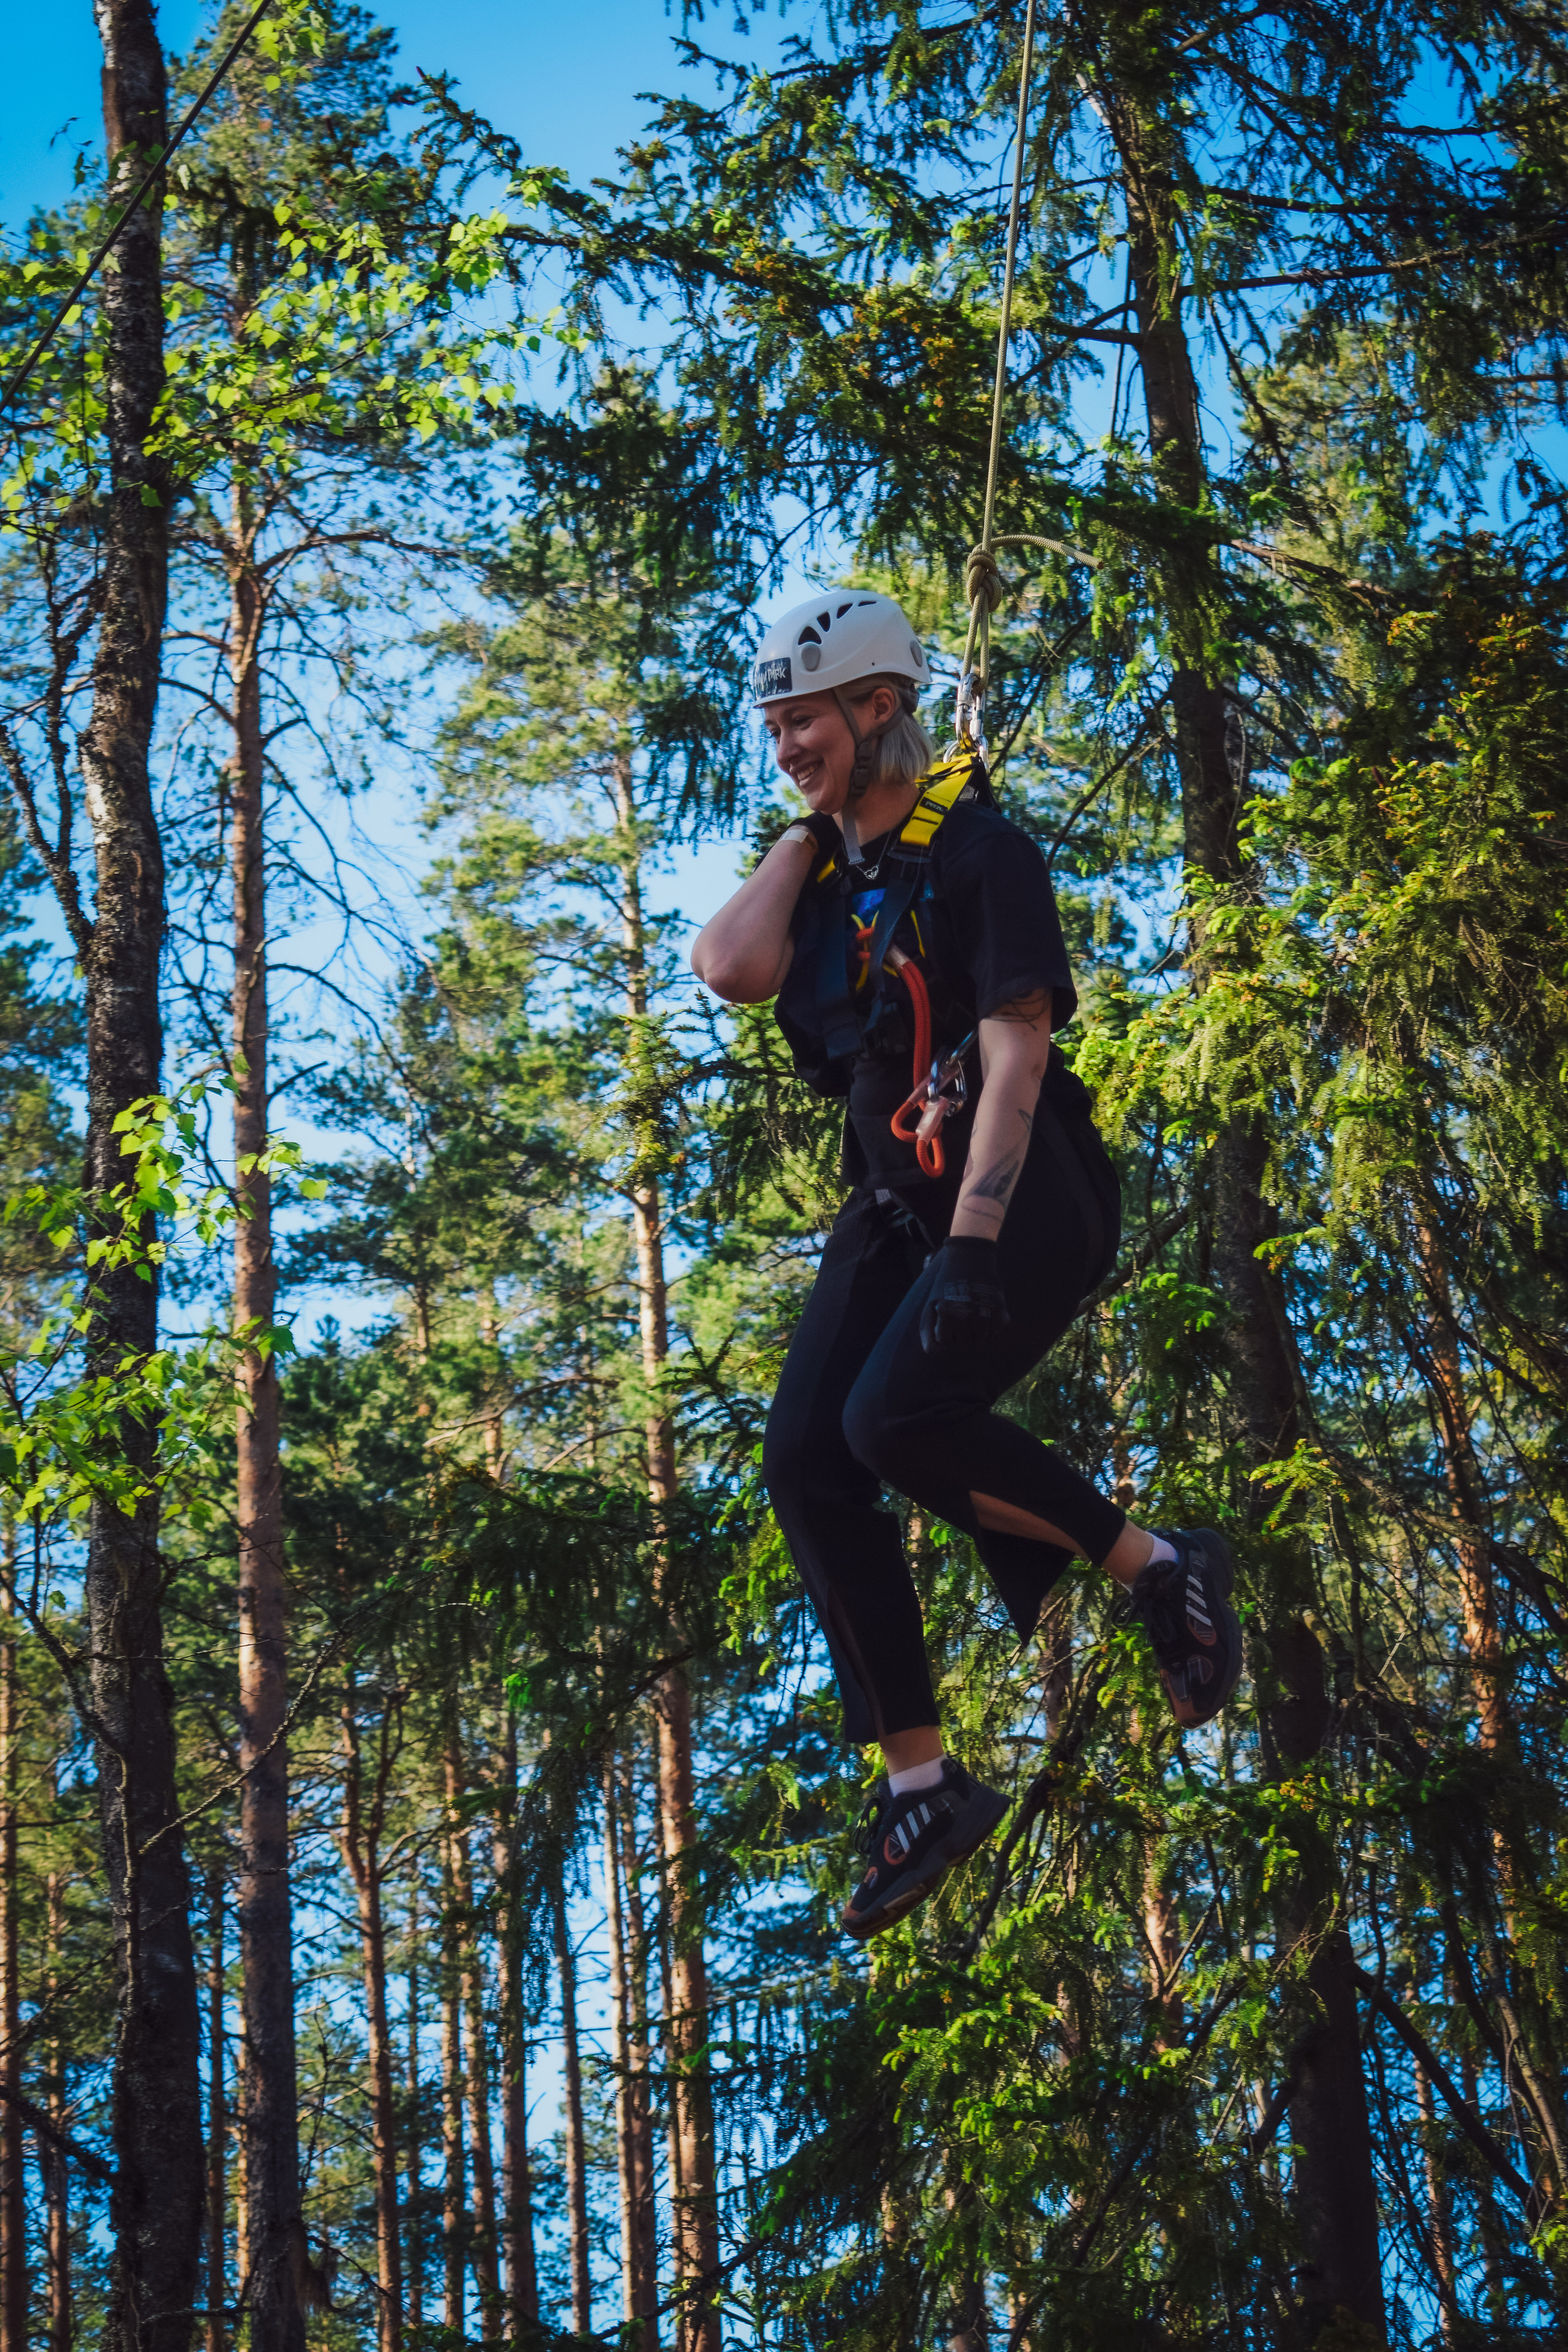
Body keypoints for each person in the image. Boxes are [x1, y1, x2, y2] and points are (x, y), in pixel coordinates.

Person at [692, 590, 1243, 1941]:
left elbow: (1013, 1058)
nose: (785, 747)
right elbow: (728, 965)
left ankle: (1161, 1565)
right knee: (808, 1463)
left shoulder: (981, 853)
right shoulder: (824, 872)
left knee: (891, 1423)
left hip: (1024, 1198)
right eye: (772, 726)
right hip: (896, 1205)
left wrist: (983, 1243)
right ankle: (923, 1781)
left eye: (805, 721)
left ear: (880, 705)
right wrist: (803, 831)